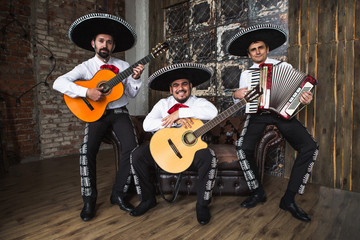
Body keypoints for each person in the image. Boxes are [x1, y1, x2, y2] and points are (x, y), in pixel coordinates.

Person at [53, 13, 145, 221]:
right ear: (93, 43)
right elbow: (58, 83)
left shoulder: (123, 66)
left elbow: (130, 93)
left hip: (119, 112)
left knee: (131, 147)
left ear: (113, 46)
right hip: (97, 114)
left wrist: (136, 79)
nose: (105, 45)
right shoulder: (86, 67)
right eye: (101, 41)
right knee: (87, 150)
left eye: (109, 42)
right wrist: (86, 92)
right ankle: (89, 200)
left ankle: (118, 194)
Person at [227, 24, 319, 222]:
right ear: (249, 54)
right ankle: (257, 191)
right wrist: (236, 94)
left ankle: (289, 199)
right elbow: (241, 101)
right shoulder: (246, 74)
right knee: (243, 148)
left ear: (267, 49)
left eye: (261, 47)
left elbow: (299, 92)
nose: (257, 51)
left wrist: (305, 98)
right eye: (253, 49)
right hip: (257, 115)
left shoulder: (283, 67)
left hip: (281, 113)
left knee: (310, 147)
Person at [129, 63, 218, 225]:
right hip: (165, 148)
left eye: (184, 84)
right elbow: (147, 125)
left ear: (190, 86)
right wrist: (172, 119)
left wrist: (181, 112)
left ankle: (202, 205)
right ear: (171, 89)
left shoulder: (198, 102)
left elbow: (213, 113)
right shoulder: (163, 104)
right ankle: (147, 200)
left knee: (208, 156)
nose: (180, 88)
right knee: (137, 155)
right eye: (176, 85)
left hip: (191, 150)